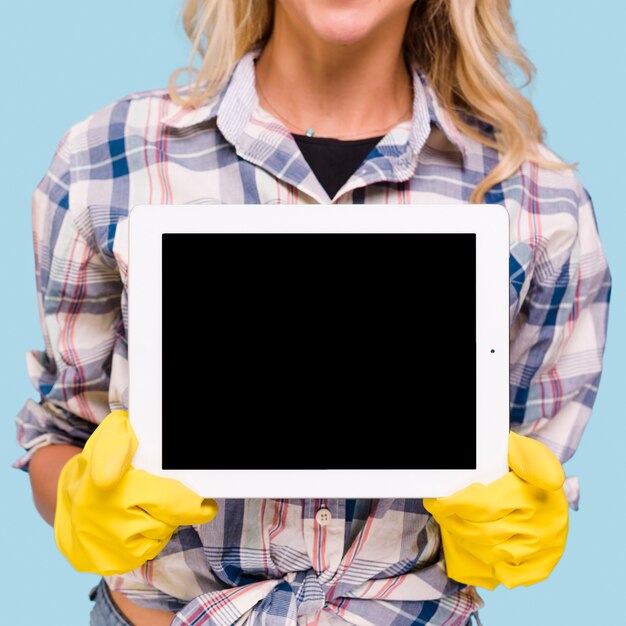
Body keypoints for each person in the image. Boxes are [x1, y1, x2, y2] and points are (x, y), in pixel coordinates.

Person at [15, 0, 612, 625]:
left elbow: (530, 476)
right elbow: (62, 437)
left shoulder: (542, 201)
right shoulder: (109, 157)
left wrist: (518, 525)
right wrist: (81, 503)